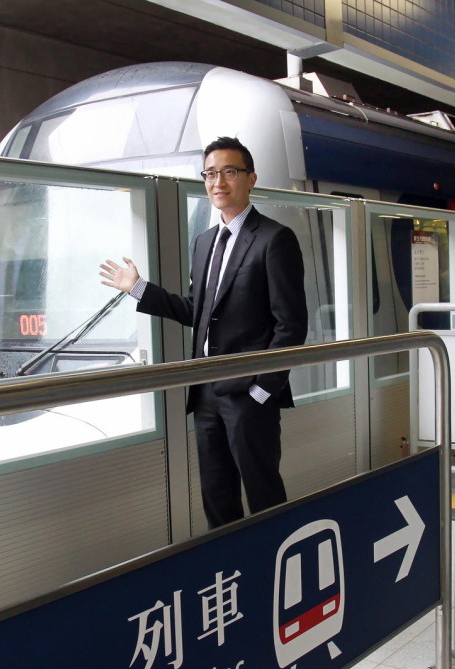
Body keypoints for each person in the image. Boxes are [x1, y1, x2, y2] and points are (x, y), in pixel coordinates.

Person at [99, 136, 308, 529]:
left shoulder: (274, 239)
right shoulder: (205, 242)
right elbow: (197, 310)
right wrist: (139, 288)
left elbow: (291, 325)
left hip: (249, 393)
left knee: (263, 493)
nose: (218, 182)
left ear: (251, 179)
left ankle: (276, 571)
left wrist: (263, 390)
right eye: (211, 174)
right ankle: (230, 572)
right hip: (206, 389)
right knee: (216, 495)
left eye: (229, 172)